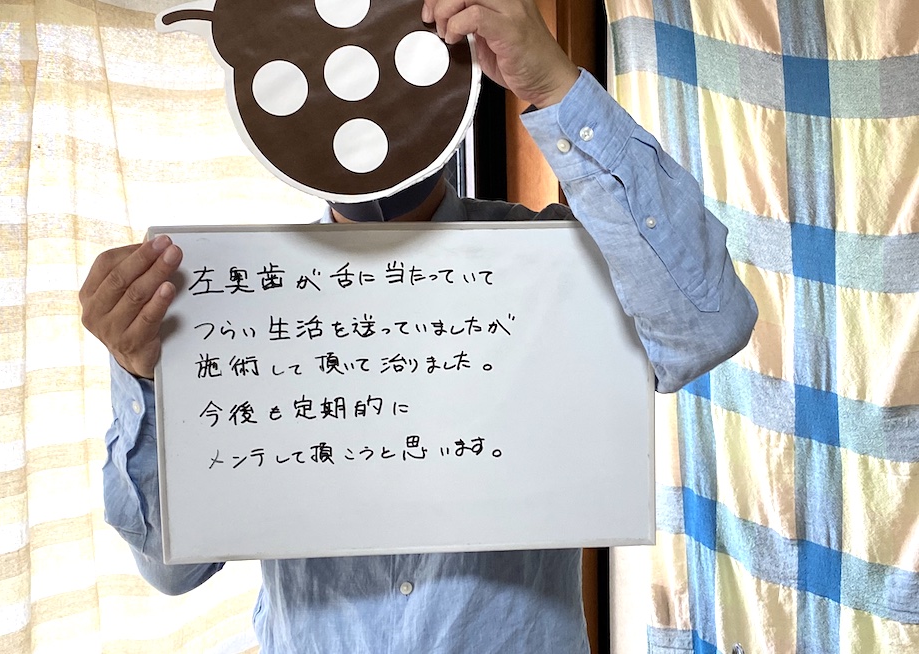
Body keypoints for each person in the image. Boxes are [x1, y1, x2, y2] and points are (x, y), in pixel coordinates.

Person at [79, 0, 758, 651]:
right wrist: (142, 370)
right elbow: (172, 568)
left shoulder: (556, 263)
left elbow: (708, 325)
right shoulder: (241, 306)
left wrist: (554, 86)